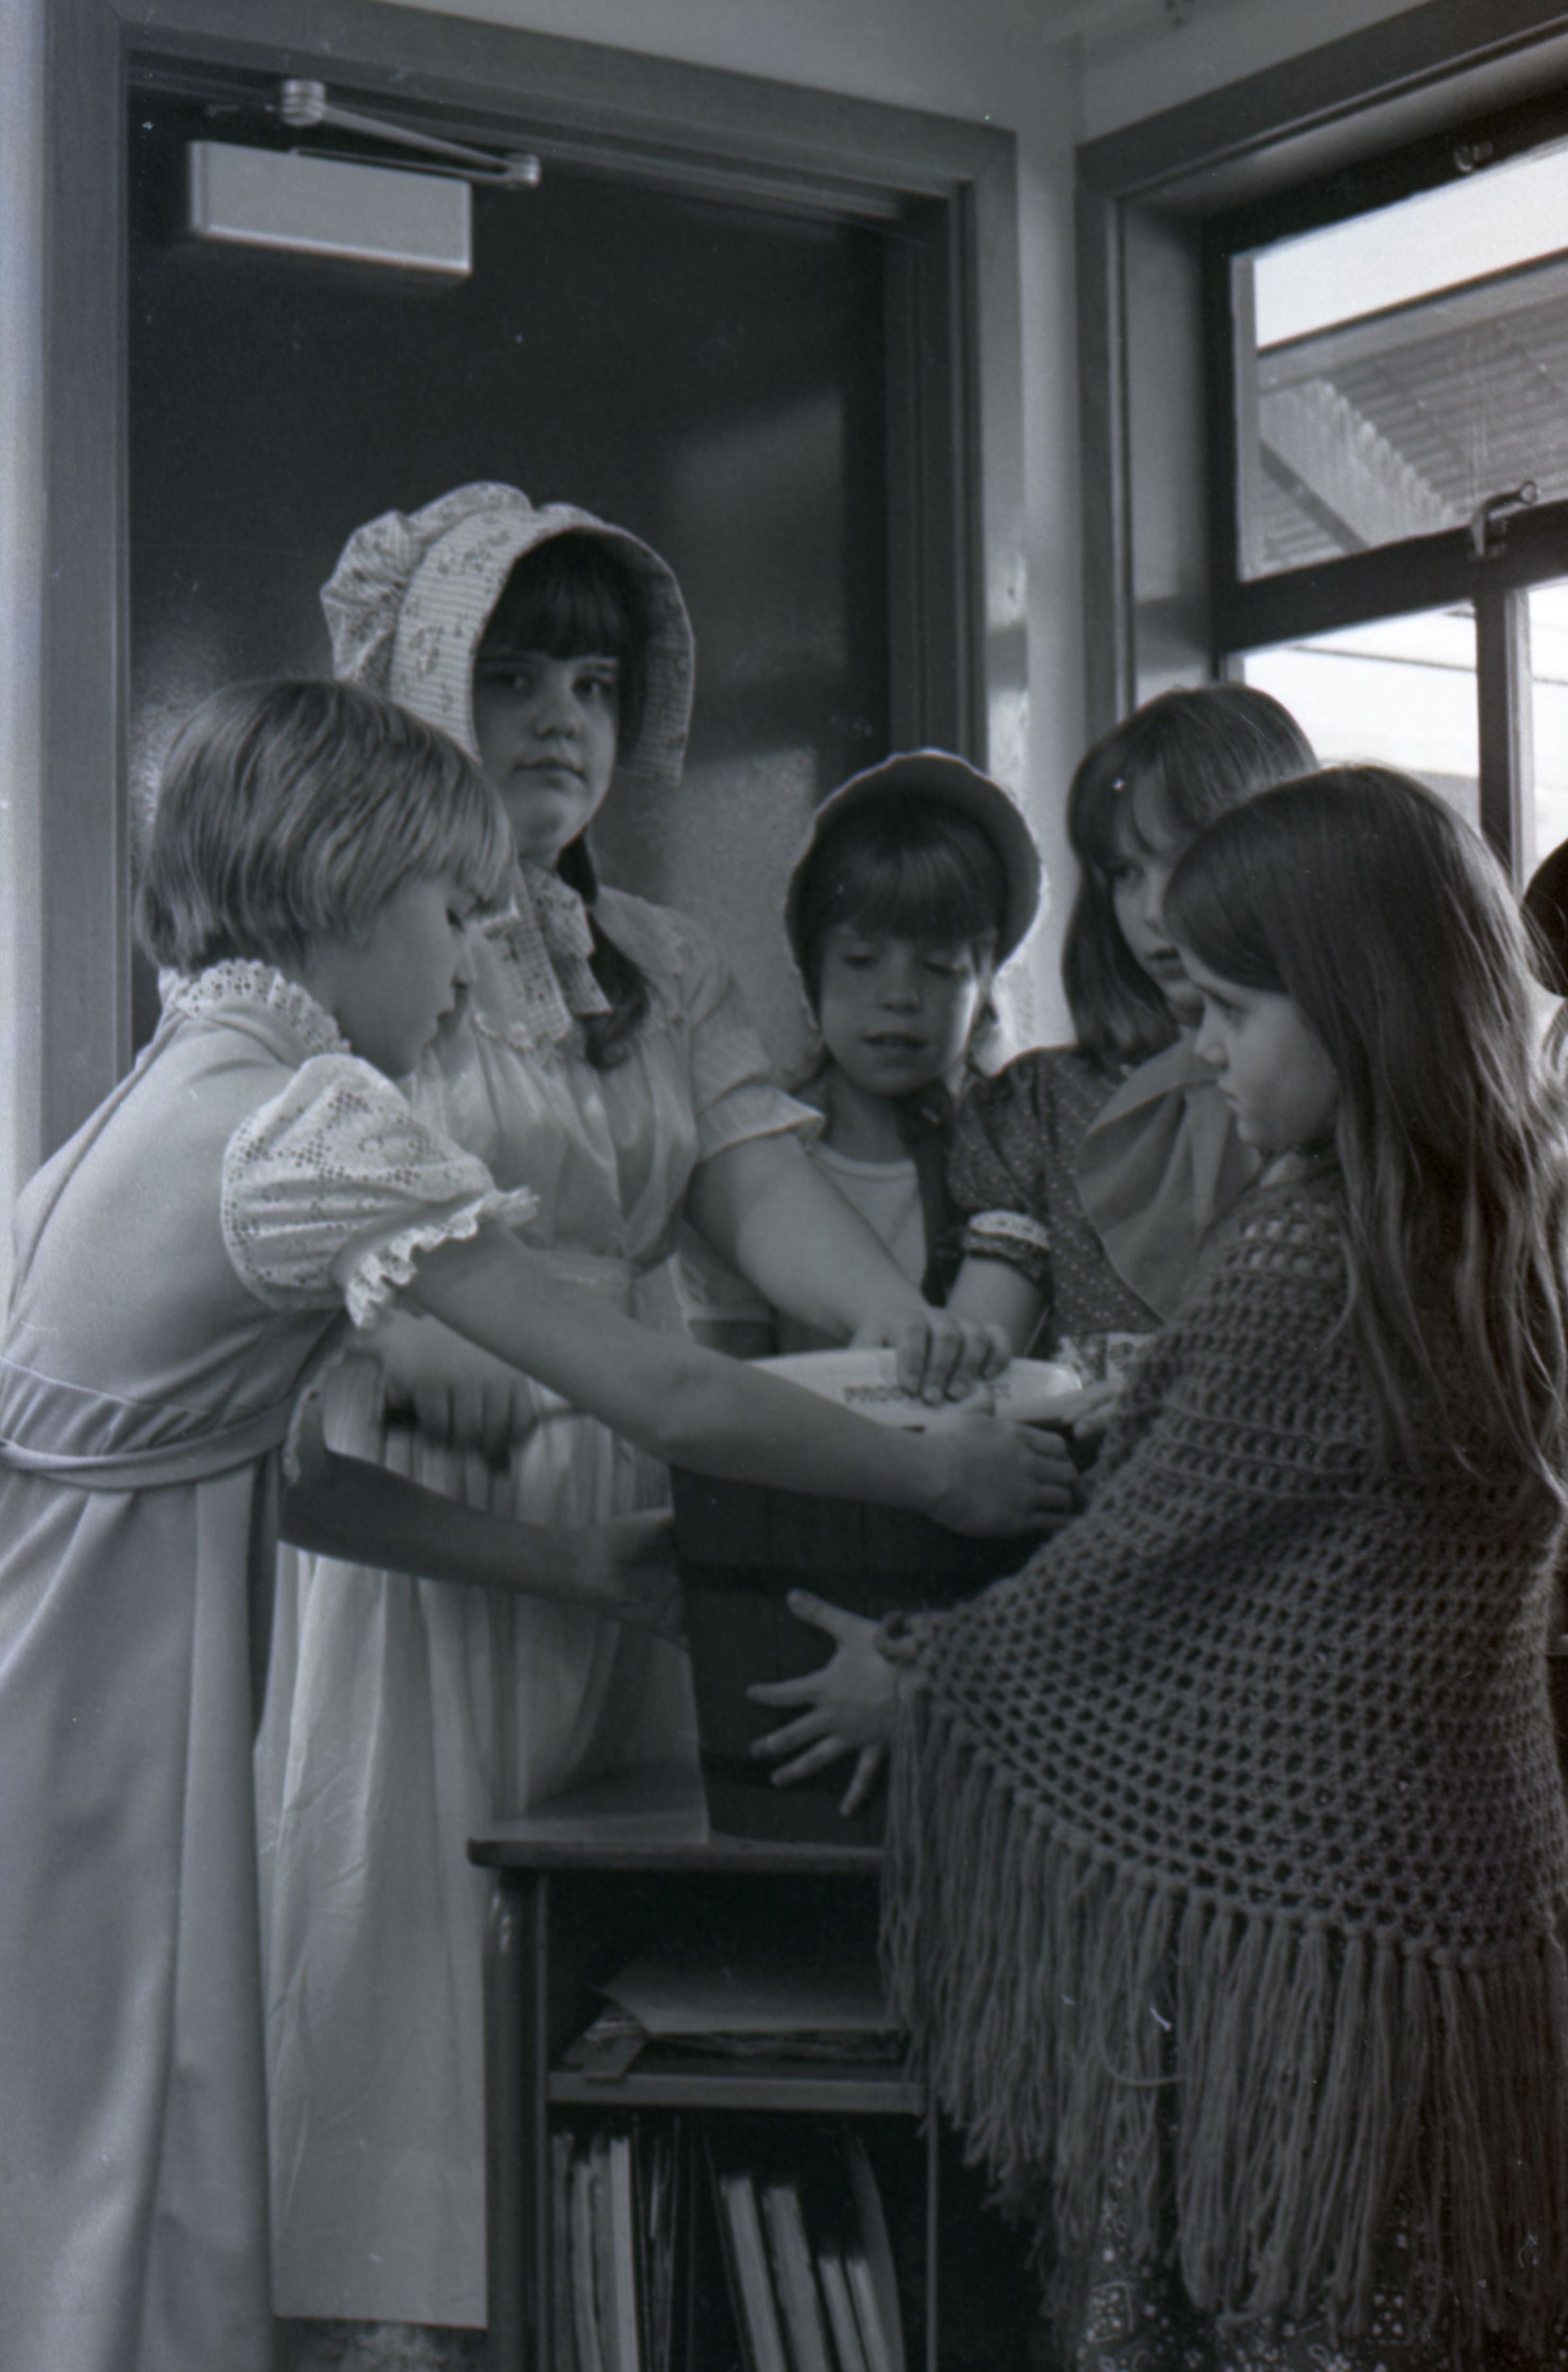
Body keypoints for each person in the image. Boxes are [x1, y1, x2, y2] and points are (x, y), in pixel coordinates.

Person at [0, 677, 1062, 2372]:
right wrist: (938, 1475)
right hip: (104, 1737)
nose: (465, 964)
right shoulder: (304, 1121)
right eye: (450, 912)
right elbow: (668, 1396)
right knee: (122, 2175)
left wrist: (571, 1564)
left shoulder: (166, 1089)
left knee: (110, 2179)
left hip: (72, 1700)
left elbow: (297, 1480)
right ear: (343, 886)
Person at [257, 484, 1049, 2365]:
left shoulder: (664, 963)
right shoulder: (342, 965)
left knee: (629, 1977)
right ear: (421, 683)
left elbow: (757, 1194)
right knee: (419, 1983)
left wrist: (901, 1324)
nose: (560, 719)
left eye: (595, 685)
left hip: (652, 1498)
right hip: (443, 1516)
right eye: (514, 674)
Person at [753, 766, 1568, 2369]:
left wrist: (914, 1675)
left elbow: (1136, 1570)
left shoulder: (1309, 1248)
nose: (1201, 1054)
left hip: (1291, 1933)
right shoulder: (1517, 1220)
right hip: (1468, 1894)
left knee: (1263, 2293)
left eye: (1228, 1013)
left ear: (1358, 1003)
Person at [944, 684, 1314, 1379]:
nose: (1152, 910)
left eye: (1187, 859)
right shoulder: (1048, 1104)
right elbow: (975, 1352)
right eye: (1124, 873)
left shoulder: (1338, 1099)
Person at [684, 749, 1043, 1356]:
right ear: (811, 974)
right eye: (861, 961)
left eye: (939, 967)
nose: (899, 996)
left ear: (985, 980)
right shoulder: (754, 1160)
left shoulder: (1014, 1151)